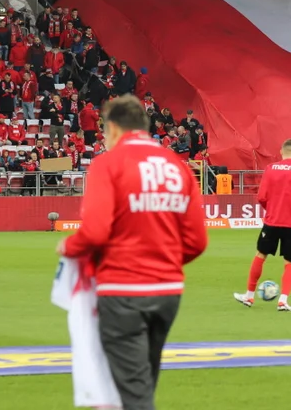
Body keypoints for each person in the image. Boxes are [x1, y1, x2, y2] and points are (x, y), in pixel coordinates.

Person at [58, 94, 208, 410]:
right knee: (141, 383)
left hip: (123, 290)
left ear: (113, 129)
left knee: (131, 393)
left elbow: (96, 231)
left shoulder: (107, 164)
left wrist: (68, 245)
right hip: (167, 291)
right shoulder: (176, 166)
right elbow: (196, 241)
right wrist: (162, 260)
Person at [234, 139, 291, 312]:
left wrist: (271, 210)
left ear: (281, 151)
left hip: (272, 221)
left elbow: (261, 196)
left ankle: (249, 296)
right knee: (290, 262)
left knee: (261, 255)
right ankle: (283, 301)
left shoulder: (271, 168)